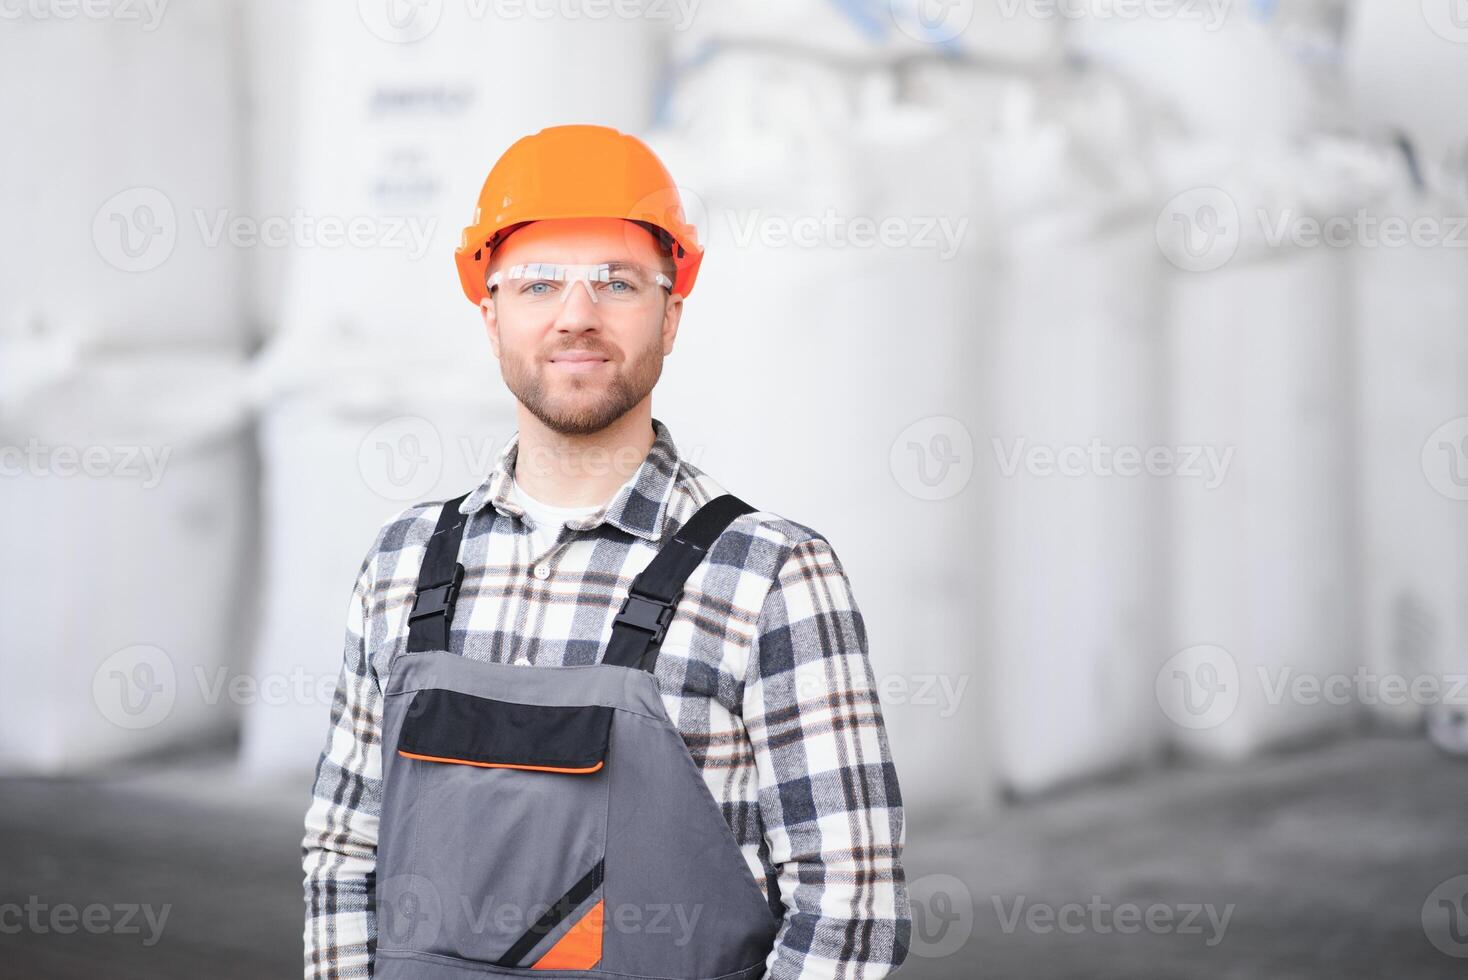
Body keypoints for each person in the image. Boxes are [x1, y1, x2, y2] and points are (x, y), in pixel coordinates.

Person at [301, 124, 911, 979]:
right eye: (538, 282)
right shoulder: (401, 564)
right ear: (491, 315)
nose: (575, 315)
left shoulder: (772, 576)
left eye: (617, 283)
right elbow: (342, 851)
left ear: (672, 315)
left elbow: (850, 906)